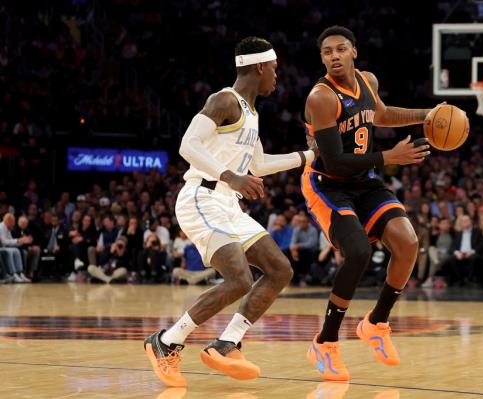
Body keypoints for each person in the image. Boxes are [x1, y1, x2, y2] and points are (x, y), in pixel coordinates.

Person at [144, 36, 316, 387]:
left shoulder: (252, 114)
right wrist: (231, 177)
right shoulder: (224, 100)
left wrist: (310, 156)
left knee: (279, 269)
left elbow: (261, 163)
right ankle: (165, 342)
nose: (276, 76)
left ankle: (227, 343)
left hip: (227, 202)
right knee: (240, 278)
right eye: (274, 69)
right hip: (201, 198)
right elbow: (187, 145)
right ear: (258, 67)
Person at [301, 25, 445, 381]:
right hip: (327, 184)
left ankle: (376, 323)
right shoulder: (321, 97)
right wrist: (389, 156)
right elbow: (334, 162)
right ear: (322, 58)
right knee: (359, 253)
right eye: (327, 52)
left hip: (363, 181)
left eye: (340, 49)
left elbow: (381, 114)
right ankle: (325, 342)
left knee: (408, 243)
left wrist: (426, 115)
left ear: (354, 52)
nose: (334, 56)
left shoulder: (368, 81)